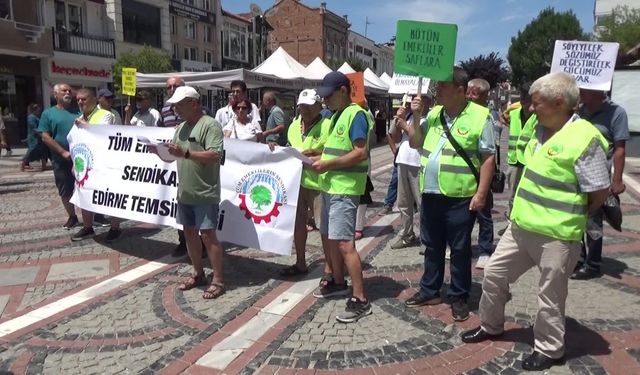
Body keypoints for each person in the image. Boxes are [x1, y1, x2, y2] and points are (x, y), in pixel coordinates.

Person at [461, 72, 611, 372]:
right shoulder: (538, 127)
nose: (530, 108)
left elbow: (598, 191)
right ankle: (491, 325)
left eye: (536, 103)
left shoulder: (585, 138)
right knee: (493, 275)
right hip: (520, 228)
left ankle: (549, 349)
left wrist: (572, 215)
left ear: (558, 103)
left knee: (550, 296)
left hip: (556, 236)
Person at [400, 67, 496, 322]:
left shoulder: (481, 116)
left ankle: (458, 295)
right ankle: (430, 290)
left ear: (460, 90)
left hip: (460, 195)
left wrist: (482, 193)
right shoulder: (433, 113)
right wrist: (416, 117)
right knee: (432, 245)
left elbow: (488, 158)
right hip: (431, 193)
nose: (437, 90)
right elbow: (415, 142)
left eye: (442, 86)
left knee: (460, 248)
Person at [311, 71, 371, 323]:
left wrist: (329, 164)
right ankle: (337, 281)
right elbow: (336, 147)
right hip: (331, 186)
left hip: (344, 189)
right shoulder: (338, 115)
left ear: (343, 91)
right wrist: (316, 155)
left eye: (328, 96)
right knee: (331, 239)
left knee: (346, 244)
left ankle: (360, 299)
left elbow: (361, 153)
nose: (325, 101)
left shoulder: (356, 114)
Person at [164, 86, 226, 300]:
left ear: (193, 103)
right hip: (186, 192)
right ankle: (198, 273)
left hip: (205, 191)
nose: (176, 109)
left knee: (208, 235)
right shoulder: (180, 127)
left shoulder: (210, 125)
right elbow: (176, 153)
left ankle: (218, 280)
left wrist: (186, 153)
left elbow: (215, 155)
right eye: (175, 105)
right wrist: (164, 152)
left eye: (180, 105)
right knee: (189, 233)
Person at [571, 88, 629, 280]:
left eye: (583, 89)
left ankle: (592, 263)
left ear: (597, 90)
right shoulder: (578, 111)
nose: (579, 91)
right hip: (575, 175)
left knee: (593, 222)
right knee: (576, 218)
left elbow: (620, 149)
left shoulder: (617, 113)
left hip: (598, 178)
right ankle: (578, 258)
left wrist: (617, 180)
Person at [277, 88, 331, 277]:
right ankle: (300, 262)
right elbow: (288, 148)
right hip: (296, 183)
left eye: (309, 106)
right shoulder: (293, 126)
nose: (305, 110)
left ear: (318, 106)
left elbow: (335, 154)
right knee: (298, 225)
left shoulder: (328, 125)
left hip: (319, 184)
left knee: (324, 227)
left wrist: (314, 154)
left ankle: (330, 268)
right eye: (302, 106)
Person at [160, 76, 209, 257]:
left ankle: (204, 246)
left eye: (175, 86)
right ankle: (185, 242)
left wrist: (186, 152)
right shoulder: (165, 109)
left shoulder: (205, 118)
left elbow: (212, 149)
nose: (171, 89)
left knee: (202, 220)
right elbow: (160, 130)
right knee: (182, 213)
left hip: (198, 172)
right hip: (178, 167)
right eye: (168, 87)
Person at [69, 88, 123, 243]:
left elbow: (101, 135)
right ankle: (87, 227)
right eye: (78, 99)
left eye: (84, 99)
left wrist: (84, 125)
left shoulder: (105, 115)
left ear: (94, 100)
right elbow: (76, 142)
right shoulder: (79, 117)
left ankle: (115, 227)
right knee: (85, 192)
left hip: (106, 164)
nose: (80, 102)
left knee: (110, 195)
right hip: (86, 164)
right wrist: (75, 162)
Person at [388, 94, 430, 249]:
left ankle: (426, 239)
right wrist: (398, 119)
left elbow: (420, 140)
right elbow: (395, 136)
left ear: (428, 101)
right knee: (404, 203)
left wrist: (406, 125)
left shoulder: (429, 118)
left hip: (418, 163)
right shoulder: (410, 116)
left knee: (422, 204)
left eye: (419, 98)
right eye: (413, 97)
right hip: (403, 161)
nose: (415, 100)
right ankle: (407, 235)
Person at [38, 83, 81, 229]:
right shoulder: (48, 114)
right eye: (64, 91)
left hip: (81, 158)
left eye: (69, 90)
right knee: (65, 190)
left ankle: (95, 216)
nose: (68, 92)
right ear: (55, 95)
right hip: (61, 160)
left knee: (87, 186)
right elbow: (45, 136)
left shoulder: (79, 112)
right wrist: (62, 152)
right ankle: (72, 217)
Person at [466, 78, 497, 269]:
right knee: (463, 213)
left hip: (481, 172)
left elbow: (490, 152)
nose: (468, 95)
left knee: (483, 213)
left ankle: (485, 251)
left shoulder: (488, 116)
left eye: (473, 93)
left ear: (484, 96)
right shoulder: (463, 112)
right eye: (468, 91)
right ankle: (459, 245)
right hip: (464, 172)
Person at [21, 104, 49, 171]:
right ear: (34, 110)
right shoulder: (31, 118)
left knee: (43, 151)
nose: (39, 111)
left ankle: (44, 166)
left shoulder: (36, 117)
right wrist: (42, 134)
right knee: (32, 151)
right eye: (38, 109)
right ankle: (23, 164)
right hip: (34, 138)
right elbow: (34, 128)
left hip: (39, 138)